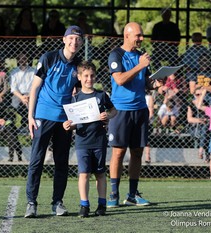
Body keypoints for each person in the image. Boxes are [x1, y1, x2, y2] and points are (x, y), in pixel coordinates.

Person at [24, 25, 84, 218]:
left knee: (61, 163)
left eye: (78, 39)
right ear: (64, 39)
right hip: (43, 115)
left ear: (81, 43)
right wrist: (30, 116)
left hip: (65, 120)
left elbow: (81, 93)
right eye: (71, 38)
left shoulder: (79, 65)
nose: (74, 42)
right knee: (36, 161)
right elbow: (34, 88)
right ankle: (31, 203)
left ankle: (57, 202)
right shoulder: (48, 58)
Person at [107, 22, 162, 208]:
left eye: (141, 35)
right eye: (137, 35)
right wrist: (140, 66)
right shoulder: (116, 54)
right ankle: (113, 194)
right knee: (118, 152)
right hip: (121, 110)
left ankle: (132, 194)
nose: (141, 38)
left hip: (140, 109)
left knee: (137, 152)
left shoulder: (140, 56)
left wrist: (156, 83)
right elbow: (120, 79)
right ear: (127, 35)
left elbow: (145, 83)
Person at [63, 61, 116, 217]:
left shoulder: (101, 95)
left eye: (92, 75)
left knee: (100, 173)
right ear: (79, 77)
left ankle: (102, 204)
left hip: (99, 140)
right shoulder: (75, 98)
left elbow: (114, 110)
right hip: (82, 142)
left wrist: (108, 115)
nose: (89, 79)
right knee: (84, 174)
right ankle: (84, 205)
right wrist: (68, 125)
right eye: (85, 76)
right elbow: (73, 123)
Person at [9, 53, 36, 132]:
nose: (22, 60)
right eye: (21, 59)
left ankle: (27, 125)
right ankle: (25, 124)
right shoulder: (14, 72)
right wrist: (21, 97)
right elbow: (13, 88)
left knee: (30, 103)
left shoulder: (33, 71)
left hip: (30, 93)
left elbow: (35, 85)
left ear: (27, 59)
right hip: (18, 94)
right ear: (18, 60)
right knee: (18, 104)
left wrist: (28, 96)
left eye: (24, 58)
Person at [187, 87, 211, 162]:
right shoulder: (191, 104)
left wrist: (206, 120)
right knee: (205, 129)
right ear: (194, 95)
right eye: (197, 94)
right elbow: (189, 119)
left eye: (201, 94)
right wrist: (200, 120)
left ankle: (201, 149)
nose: (199, 96)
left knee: (205, 128)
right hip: (194, 128)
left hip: (206, 127)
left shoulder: (207, 104)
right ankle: (206, 155)